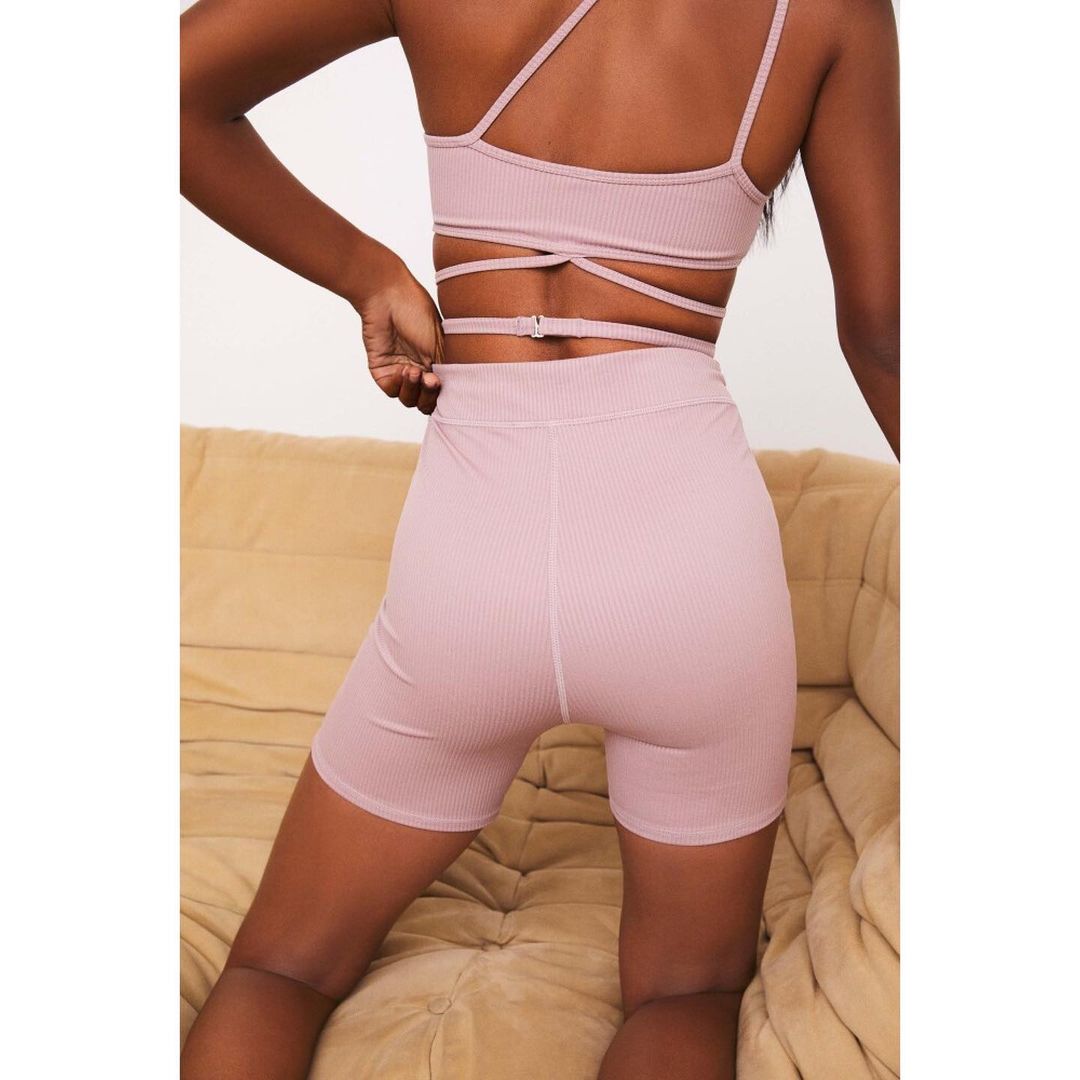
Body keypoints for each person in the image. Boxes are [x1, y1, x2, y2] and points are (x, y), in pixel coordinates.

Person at [178, 0, 899, 1076]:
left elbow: (170, 91)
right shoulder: (834, 13)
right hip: (690, 562)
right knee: (686, 994)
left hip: (474, 557)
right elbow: (886, 333)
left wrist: (366, 270)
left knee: (278, 970)